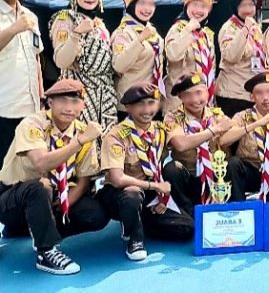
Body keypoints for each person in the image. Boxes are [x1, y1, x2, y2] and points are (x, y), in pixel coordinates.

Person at [0, 80, 104, 275]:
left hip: (54, 196)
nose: (69, 108)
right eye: (62, 101)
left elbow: (83, 180)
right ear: (50, 103)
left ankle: (39, 228)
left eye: (75, 101)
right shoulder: (32, 124)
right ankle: (46, 251)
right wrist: (78, 142)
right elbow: (41, 163)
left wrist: (64, 205)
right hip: (14, 197)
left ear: (83, 106)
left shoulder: (83, 130)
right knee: (40, 187)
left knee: (96, 214)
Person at [99, 83, 195, 262]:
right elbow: (117, 179)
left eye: (151, 103)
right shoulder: (116, 135)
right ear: (128, 107)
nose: (147, 110)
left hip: (150, 193)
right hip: (120, 193)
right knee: (132, 194)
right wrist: (155, 186)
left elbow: (184, 142)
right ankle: (135, 239)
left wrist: (214, 130)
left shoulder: (160, 130)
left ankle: (139, 220)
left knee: (186, 229)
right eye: (140, 104)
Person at [49, 0, 116, 129]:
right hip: (78, 92)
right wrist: (76, 33)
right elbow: (61, 61)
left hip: (104, 95)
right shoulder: (65, 19)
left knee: (106, 139)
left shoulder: (100, 25)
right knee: (81, 138)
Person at [162, 74, 234, 216]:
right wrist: (214, 130)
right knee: (171, 169)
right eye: (188, 95)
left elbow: (233, 132)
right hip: (189, 177)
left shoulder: (216, 114)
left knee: (234, 163)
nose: (195, 100)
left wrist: (254, 125)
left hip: (215, 176)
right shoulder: (172, 117)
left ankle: (236, 210)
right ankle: (188, 215)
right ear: (180, 97)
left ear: (207, 92)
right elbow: (181, 144)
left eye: (199, 93)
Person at [0, 0, 43, 167]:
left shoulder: (30, 16)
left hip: (30, 109)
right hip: (3, 108)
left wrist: (42, 97)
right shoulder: (20, 21)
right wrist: (14, 29)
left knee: (27, 171)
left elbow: (36, 59)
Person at [219, 71, 269, 202]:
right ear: (252, 97)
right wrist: (256, 124)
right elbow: (223, 140)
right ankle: (239, 208)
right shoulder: (243, 116)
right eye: (259, 93)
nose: (265, 97)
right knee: (233, 164)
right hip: (250, 170)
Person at [111, 0, 165, 121]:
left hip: (152, 100)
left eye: (151, 4)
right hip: (131, 102)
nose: (147, 9)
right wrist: (139, 40)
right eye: (142, 3)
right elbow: (119, 66)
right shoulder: (123, 32)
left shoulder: (152, 32)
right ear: (131, 5)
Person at [216, 0, 267, 117]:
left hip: (250, 92)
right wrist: (245, 30)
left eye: (251, 5)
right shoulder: (229, 28)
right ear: (235, 6)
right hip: (232, 93)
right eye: (243, 5)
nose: (248, 9)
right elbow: (231, 56)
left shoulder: (255, 27)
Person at [164, 0, 219, 114]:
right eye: (195, 5)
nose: (198, 10)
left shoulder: (206, 34)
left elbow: (211, 69)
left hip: (203, 101)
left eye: (204, 6)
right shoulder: (177, 29)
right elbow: (172, 55)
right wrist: (188, 30)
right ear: (186, 6)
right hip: (180, 101)